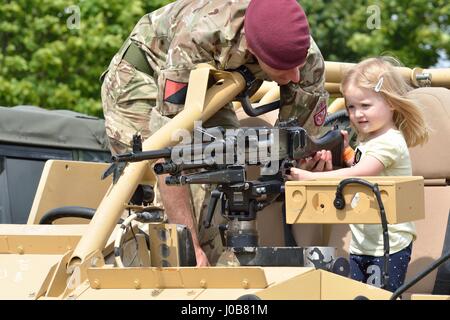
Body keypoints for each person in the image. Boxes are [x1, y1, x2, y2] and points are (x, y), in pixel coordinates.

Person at [101, 0, 329, 266]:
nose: (295, 76)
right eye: (283, 68)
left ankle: (221, 270)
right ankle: (181, 269)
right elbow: (169, 150)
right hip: (142, 76)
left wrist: (311, 162)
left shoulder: (302, 52)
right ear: (253, 49)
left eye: (298, 64)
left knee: (230, 163)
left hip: (215, 81)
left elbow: (300, 141)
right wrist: (190, 247)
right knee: (176, 184)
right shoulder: (199, 36)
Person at [286, 57, 429, 291]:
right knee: (359, 295)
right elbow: (360, 163)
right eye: (351, 107)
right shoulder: (370, 139)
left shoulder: (390, 142)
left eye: (365, 105)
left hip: (389, 245)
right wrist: (346, 151)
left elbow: (360, 173)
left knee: (382, 296)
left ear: (390, 102)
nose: (357, 114)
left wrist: (310, 178)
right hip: (363, 243)